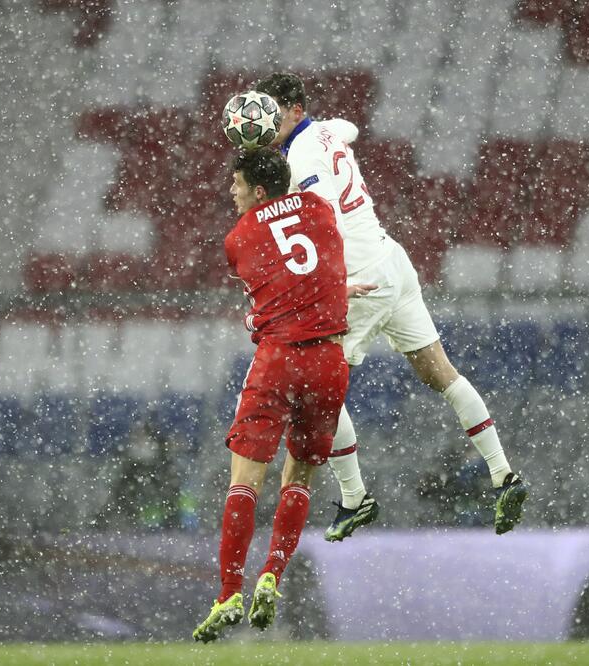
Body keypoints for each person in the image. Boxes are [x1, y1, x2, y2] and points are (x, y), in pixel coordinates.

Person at [254, 73, 528, 541]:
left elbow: (324, 216)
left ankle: (355, 498)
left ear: (296, 110)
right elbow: (348, 130)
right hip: (394, 261)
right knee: (441, 373)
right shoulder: (324, 133)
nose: (265, 123)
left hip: (362, 278)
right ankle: (504, 474)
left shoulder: (301, 154)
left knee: (319, 389)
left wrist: (329, 286)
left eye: (273, 113)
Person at [193, 148, 349, 642]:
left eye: (237, 184)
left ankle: (229, 593)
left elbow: (269, 293)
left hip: (280, 357)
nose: (231, 192)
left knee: (245, 480)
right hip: (328, 361)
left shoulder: (238, 238)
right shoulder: (320, 208)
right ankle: (272, 576)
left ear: (259, 190)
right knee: (299, 475)